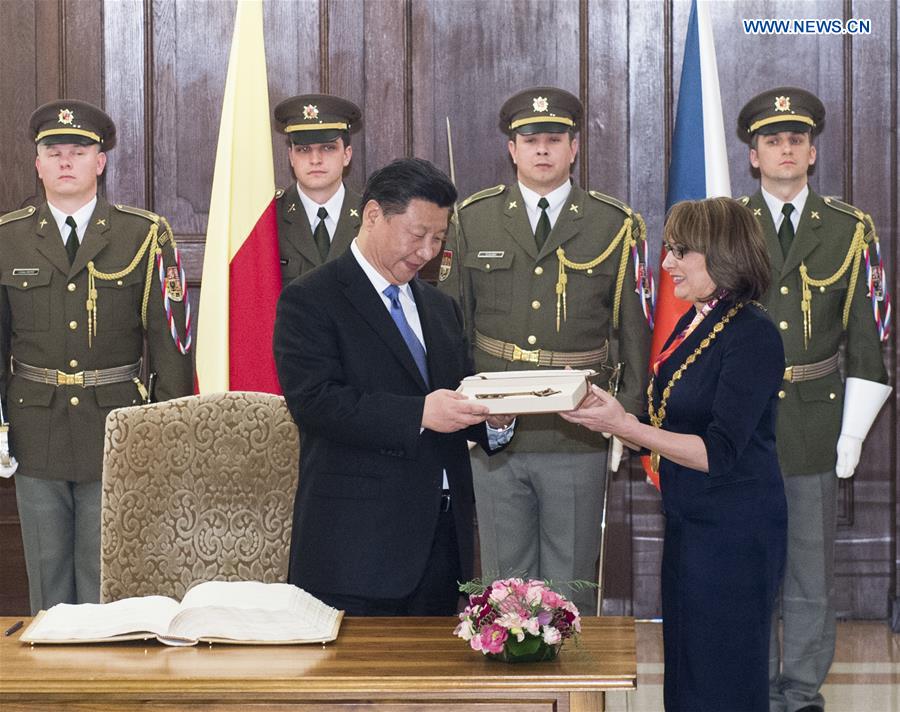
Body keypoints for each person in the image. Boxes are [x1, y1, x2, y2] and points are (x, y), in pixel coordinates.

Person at [562, 197, 787, 711]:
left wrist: (625, 426)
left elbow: (718, 452)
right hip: (693, 524)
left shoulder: (751, 334)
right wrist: (614, 416)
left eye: (681, 252)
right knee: (688, 671)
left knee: (722, 676)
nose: (667, 264)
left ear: (722, 253)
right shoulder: (700, 323)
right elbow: (673, 422)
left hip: (735, 534)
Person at [439, 86, 652, 614]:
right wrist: (457, 411)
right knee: (503, 584)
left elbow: (634, 331)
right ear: (511, 148)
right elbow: (451, 324)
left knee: (571, 584)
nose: (541, 150)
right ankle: (516, 696)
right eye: (529, 139)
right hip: (495, 429)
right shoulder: (473, 218)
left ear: (574, 147)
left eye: (554, 139)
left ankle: (568, 696)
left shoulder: (614, 223)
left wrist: (623, 415)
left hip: (575, 428)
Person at [273, 157, 514, 616]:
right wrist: (419, 413)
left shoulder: (441, 309)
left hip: (443, 548)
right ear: (373, 216)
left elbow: (455, 400)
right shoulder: (311, 299)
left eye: (439, 239)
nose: (427, 252)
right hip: (356, 552)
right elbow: (315, 402)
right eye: (417, 234)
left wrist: (494, 420)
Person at [0, 100, 193, 613]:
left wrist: (166, 429)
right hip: (34, 425)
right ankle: (51, 689)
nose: (66, 161)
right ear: (37, 163)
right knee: (47, 575)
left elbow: (171, 344)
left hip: (117, 426)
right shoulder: (8, 237)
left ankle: (100, 687)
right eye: (54, 152)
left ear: (100, 162)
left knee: (107, 573)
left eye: (79, 151)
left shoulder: (143, 234)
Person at [736, 87, 891, 712]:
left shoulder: (850, 230)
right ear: (753, 156)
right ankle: (748, 683)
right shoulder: (724, 224)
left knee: (807, 573)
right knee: (745, 570)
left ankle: (799, 692)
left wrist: (852, 432)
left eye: (796, 139)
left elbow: (867, 339)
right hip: (739, 424)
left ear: (813, 152)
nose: (785, 149)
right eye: (772, 140)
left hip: (814, 421)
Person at [273, 93, 363, 285]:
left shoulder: (372, 217)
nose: (315, 160)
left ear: (347, 155)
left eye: (328, 148)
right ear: (291, 156)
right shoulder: (270, 219)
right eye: (303, 149)